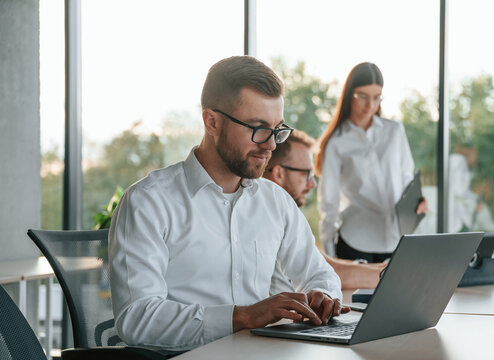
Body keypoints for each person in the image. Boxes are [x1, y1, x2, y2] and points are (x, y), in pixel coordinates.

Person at [108, 56, 346, 352]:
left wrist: (322, 296)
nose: (271, 144)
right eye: (258, 128)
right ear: (212, 122)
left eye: (276, 129)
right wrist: (242, 316)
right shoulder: (149, 202)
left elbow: (319, 274)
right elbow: (136, 318)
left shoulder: (275, 202)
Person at [315, 62, 428, 263]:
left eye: (377, 97)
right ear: (349, 95)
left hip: (397, 241)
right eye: (363, 97)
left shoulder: (394, 131)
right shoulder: (336, 142)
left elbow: (406, 177)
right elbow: (329, 202)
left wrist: (417, 202)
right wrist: (330, 254)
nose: (370, 105)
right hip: (355, 243)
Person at [263, 130, 385, 290]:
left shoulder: (282, 214)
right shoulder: (267, 215)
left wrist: (381, 268)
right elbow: (337, 274)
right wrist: (394, 274)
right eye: (306, 174)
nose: (312, 184)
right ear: (279, 173)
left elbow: (323, 264)